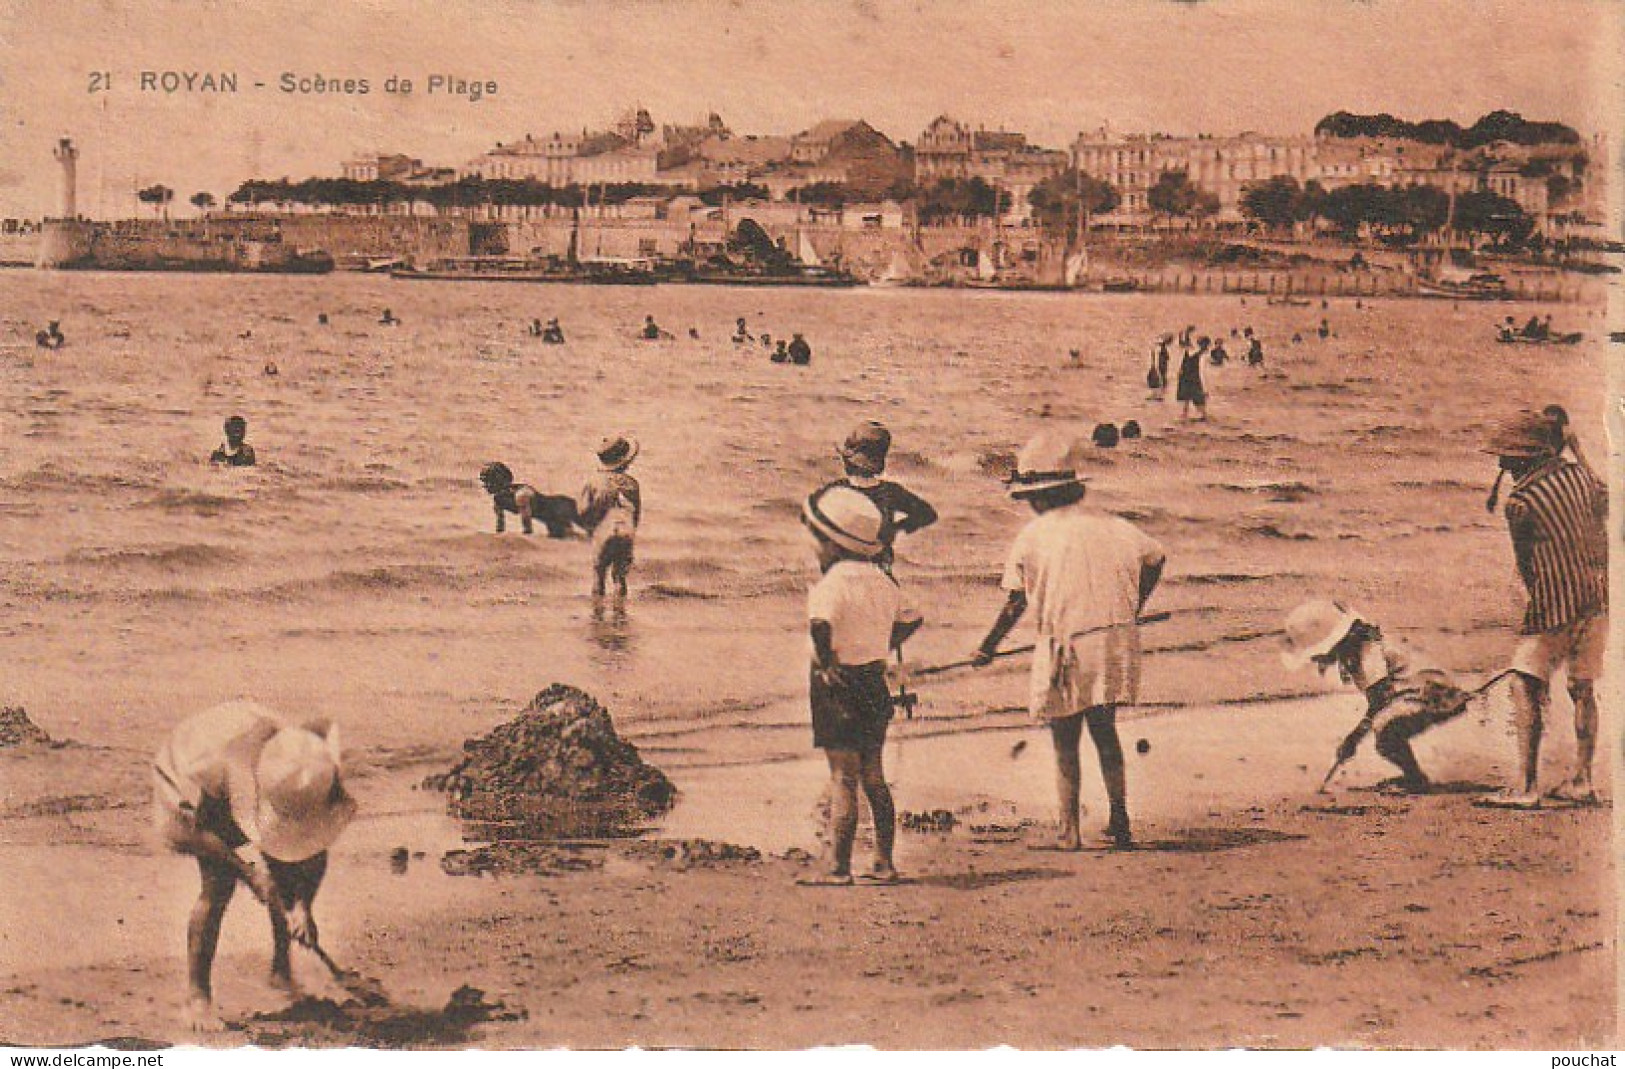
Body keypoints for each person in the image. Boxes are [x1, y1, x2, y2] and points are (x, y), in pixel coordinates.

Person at [972, 432, 1166, 849]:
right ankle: (1120, 818)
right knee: (1104, 729)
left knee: (1065, 739)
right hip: (1114, 638)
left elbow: (1015, 601)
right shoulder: (1114, 524)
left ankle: (1069, 831)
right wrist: (1134, 607)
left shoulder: (1034, 536)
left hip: (1065, 644)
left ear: (1040, 497)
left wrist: (988, 646)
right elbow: (1155, 558)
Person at [153, 702, 356, 1032]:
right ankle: (198, 997)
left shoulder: (308, 765)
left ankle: (281, 969)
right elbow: (203, 835)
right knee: (217, 887)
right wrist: (250, 872)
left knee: (283, 863)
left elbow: (314, 847)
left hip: (251, 754)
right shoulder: (209, 772)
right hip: (189, 775)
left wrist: (303, 906)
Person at [1480, 411, 1608, 807]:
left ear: (1524, 456)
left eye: (1508, 456)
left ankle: (1525, 787)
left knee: (1524, 683)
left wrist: (1535, 610)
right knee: (1582, 688)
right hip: (1600, 597)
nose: (1502, 464)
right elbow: (1607, 499)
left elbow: (1527, 566)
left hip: (1557, 603)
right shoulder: (1583, 478)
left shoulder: (1519, 502)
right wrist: (1579, 449)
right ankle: (1583, 780)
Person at [800, 484, 923, 885]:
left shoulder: (832, 582)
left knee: (842, 778)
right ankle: (884, 862)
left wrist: (827, 662)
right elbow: (911, 618)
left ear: (832, 545)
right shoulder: (882, 580)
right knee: (874, 774)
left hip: (838, 685)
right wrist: (886, 643)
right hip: (873, 678)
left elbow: (820, 624)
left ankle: (838, 866)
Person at [1281, 600, 1471, 793]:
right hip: (1427, 691)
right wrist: (1353, 739)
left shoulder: (1368, 654)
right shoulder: (1360, 647)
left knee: (1386, 734)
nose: (1315, 661)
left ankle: (1416, 780)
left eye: (1316, 655)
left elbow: (1378, 703)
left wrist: (1352, 740)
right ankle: (1415, 777)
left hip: (1434, 695)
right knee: (1384, 728)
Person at [833, 421, 937, 568]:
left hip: (844, 567)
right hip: (880, 566)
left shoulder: (838, 490)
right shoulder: (891, 491)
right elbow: (927, 514)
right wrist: (896, 528)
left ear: (848, 462)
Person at [578, 436, 642, 598]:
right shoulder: (632, 483)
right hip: (626, 531)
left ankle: (597, 614)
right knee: (620, 576)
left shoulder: (594, 481)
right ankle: (619, 613)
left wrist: (590, 529)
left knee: (599, 575)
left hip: (604, 531)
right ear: (626, 461)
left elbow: (583, 511)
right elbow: (636, 513)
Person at [1177, 337, 1209, 421]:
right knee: (1199, 403)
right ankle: (1202, 416)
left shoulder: (1190, 352)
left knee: (1187, 402)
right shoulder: (1200, 355)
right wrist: (1205, 389)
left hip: (1186, 380)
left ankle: (1186, 415)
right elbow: (1202, 372)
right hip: (1193, 381)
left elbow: (1182, 367)